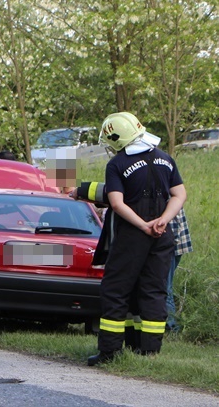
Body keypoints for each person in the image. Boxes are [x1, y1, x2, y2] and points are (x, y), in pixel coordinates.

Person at [87, 112, 186, 366]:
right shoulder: (165, 158)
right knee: (153, 290)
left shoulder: (117, 164)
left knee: (116, 290)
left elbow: (116, 203)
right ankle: (149, 352)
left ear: (117, 138)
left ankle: (110, 351)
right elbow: (179, 194)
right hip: (162, 236)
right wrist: (163, 220)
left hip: (132, 236)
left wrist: (143, 225)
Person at [166, 208, 192, 332]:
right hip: (175, 242)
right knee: (165, 286)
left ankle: (171, 326)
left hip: (170, 243)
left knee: (164, 287)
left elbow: (173, 225)